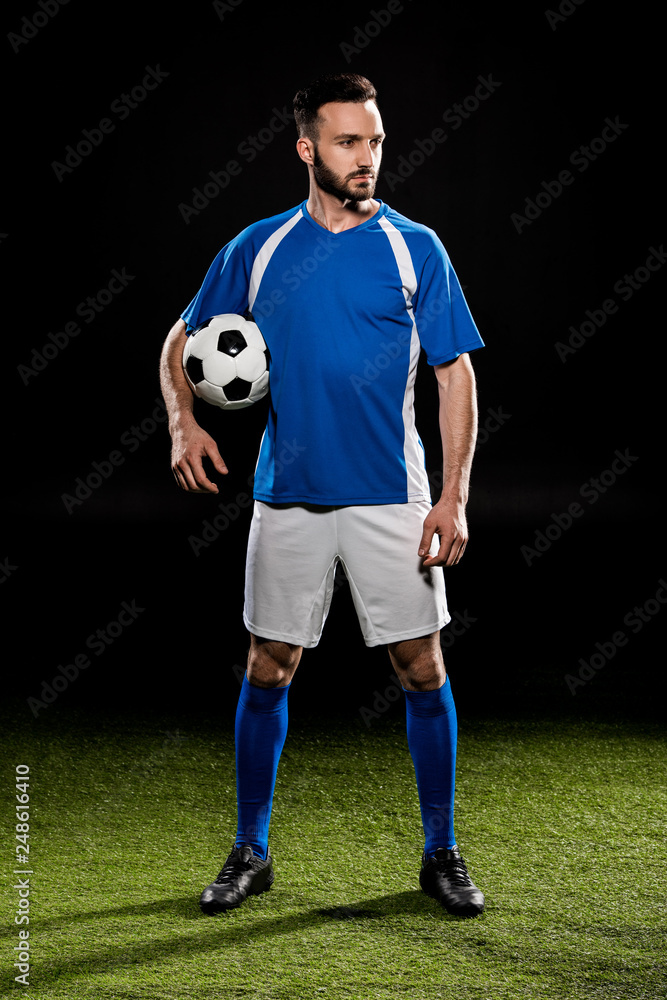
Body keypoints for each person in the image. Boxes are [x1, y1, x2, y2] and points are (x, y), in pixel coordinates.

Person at [159, 72, 486, 918]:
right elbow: (180, 337)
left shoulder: (417, 247)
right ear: (307, 148)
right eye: (347, 142)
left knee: (421, 666)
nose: (367, 157)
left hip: (390, 496)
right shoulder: (259, 247)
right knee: (270, 664)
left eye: (374, 140)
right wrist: (182, 425)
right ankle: (250, 849)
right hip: (287, 494)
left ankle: (441, 853)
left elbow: (455, 374)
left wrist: (451, 496)